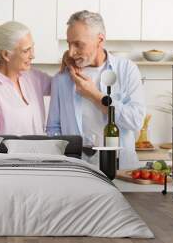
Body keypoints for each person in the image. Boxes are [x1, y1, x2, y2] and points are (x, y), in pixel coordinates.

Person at [46, 10, 145, 169]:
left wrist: (94, 95)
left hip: (121, 168)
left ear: (100, 40)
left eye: (78, 44)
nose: (71, 52)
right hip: (77, 170)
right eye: (69, 44)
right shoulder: (62, 79)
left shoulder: (127, 70)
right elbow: (53, 129)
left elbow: (135, 121)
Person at [0, 21, 51, 135]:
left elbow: (61, 86)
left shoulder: (32, 77)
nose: (32, 55)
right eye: (26, 50)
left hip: (38, 153)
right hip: (10, 154)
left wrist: (68, 60)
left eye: (32, 48)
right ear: (6, 55)